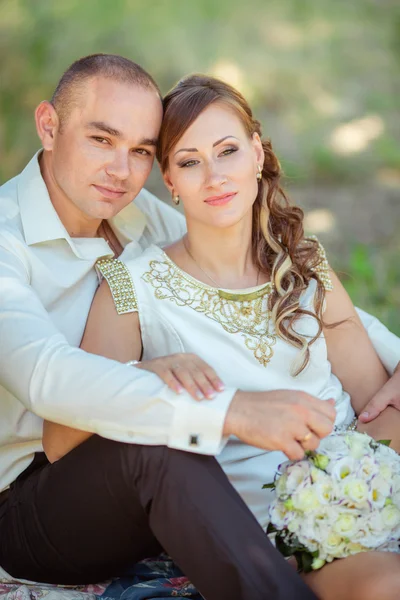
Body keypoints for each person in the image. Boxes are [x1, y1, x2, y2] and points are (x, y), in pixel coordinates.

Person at [0, 54, 397, 599]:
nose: (121, 169)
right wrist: (221, 404)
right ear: (49, 126)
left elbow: (309, 303)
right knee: (161, 442)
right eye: (100, 139)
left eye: (140, 150)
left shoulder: (139, 215)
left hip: (170, 484)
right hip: (30, 492)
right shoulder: (13, 244)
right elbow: (46, 379)